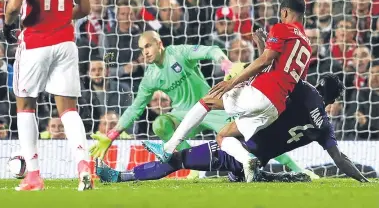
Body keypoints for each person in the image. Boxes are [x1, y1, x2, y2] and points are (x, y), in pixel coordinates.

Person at [90, 30, 317, 178]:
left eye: (148, 46)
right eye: (141, 49)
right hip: (182, 113)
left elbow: (211, 50)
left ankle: (297, 168)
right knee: (160, 124)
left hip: (211, 106)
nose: (145, 52)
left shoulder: (179, 53)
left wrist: (225, 63)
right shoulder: (150, 77)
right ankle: (191, 168)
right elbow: (136, 107)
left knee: (254, 137)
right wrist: (112, 134)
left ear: (159, 43)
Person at [142, 0, 312, 182]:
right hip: (275, 107)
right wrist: (262, 45)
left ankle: (168, 148)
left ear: (285, 12)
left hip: (262, 93)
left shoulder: (281, 28)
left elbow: (265, 60)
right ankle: (248, 162)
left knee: (207, 100)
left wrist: (230, 83)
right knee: (223, 136)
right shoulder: (306, 45)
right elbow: (289, 76)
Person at [96, 74, 368, 184]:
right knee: (231, 166)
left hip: (242, 147)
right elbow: (340, 160)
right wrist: (364, 180)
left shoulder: (305, 91)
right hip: (260, 154)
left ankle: (119, 177)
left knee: (177, 159)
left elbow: (278, 75)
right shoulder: (325, 128)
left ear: (320, 85)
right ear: (333, 99)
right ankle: (265, 175)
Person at [3, 0, 92, 191]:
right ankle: (83, 166)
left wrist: (7, 24)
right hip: (65, 43)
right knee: (68, 110)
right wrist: (64, 18)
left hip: (35, 43)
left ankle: (33, 175)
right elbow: (86, 8)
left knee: (26, 104)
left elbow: (15, 3)